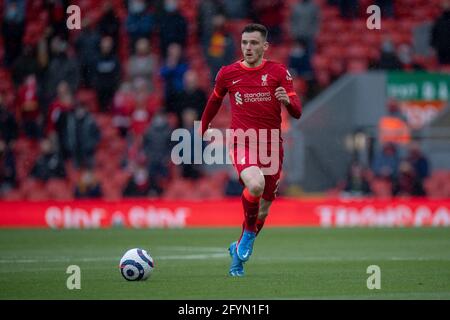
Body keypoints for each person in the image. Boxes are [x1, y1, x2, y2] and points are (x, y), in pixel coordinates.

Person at [199, 24, 302, 276]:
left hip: (272, 146)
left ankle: (237, 254)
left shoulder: (278, 72)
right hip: (242, 140)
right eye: (245, 42)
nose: (248, 47)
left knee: (264, 210)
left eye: (254, 43)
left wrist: (287, 101)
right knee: (254, 185)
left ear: (264, 46)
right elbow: (213, 102)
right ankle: (247, 235)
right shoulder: (228, 73)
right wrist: (202, 129)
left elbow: (297, 112)